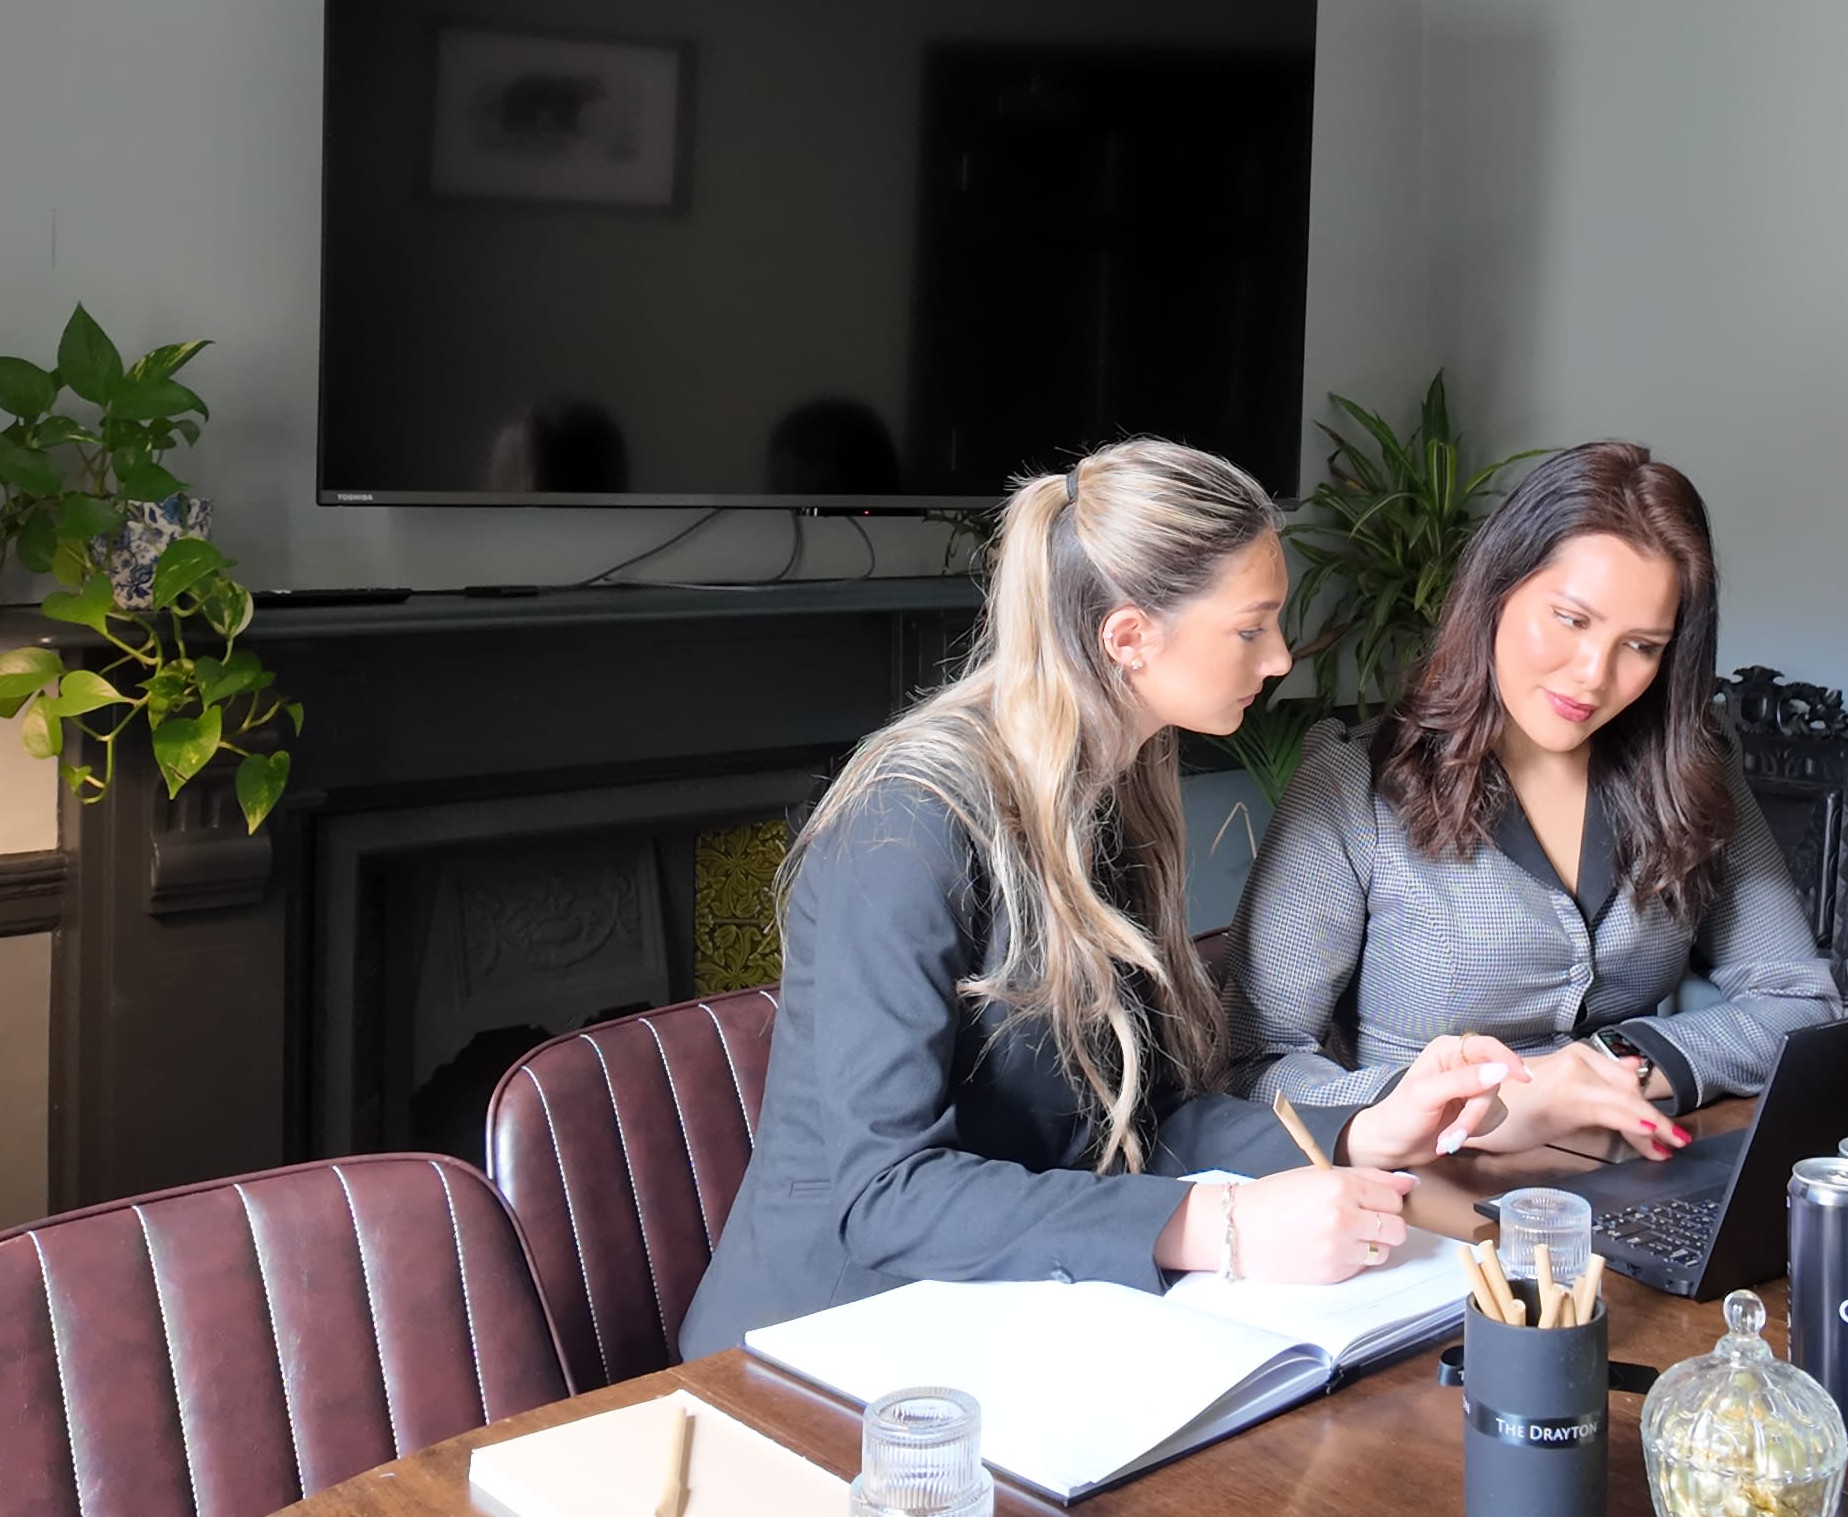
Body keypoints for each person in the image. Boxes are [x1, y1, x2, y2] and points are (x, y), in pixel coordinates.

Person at [678, 439, 1635, 1355]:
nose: (1280, 659)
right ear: (1130, 637)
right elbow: (881, 1195)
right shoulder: (904, 826)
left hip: (1017, 1309)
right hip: (828, 1339)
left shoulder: (1119, 793)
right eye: (1251, 628)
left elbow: (1148, 1117)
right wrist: (1219, 1224)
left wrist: (1365, 1129)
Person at [1228, 441, 1842, 1154]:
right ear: (1497, 589)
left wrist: (1613, 1070)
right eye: (1572, 620)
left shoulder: (1695, 772)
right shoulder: (1351, 786)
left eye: (1640, 646)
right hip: (1424, 1199)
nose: (1592, 674)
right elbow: (1256, 1062)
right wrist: (1486, 1106)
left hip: (1635, 1177)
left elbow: (1799, 1001)